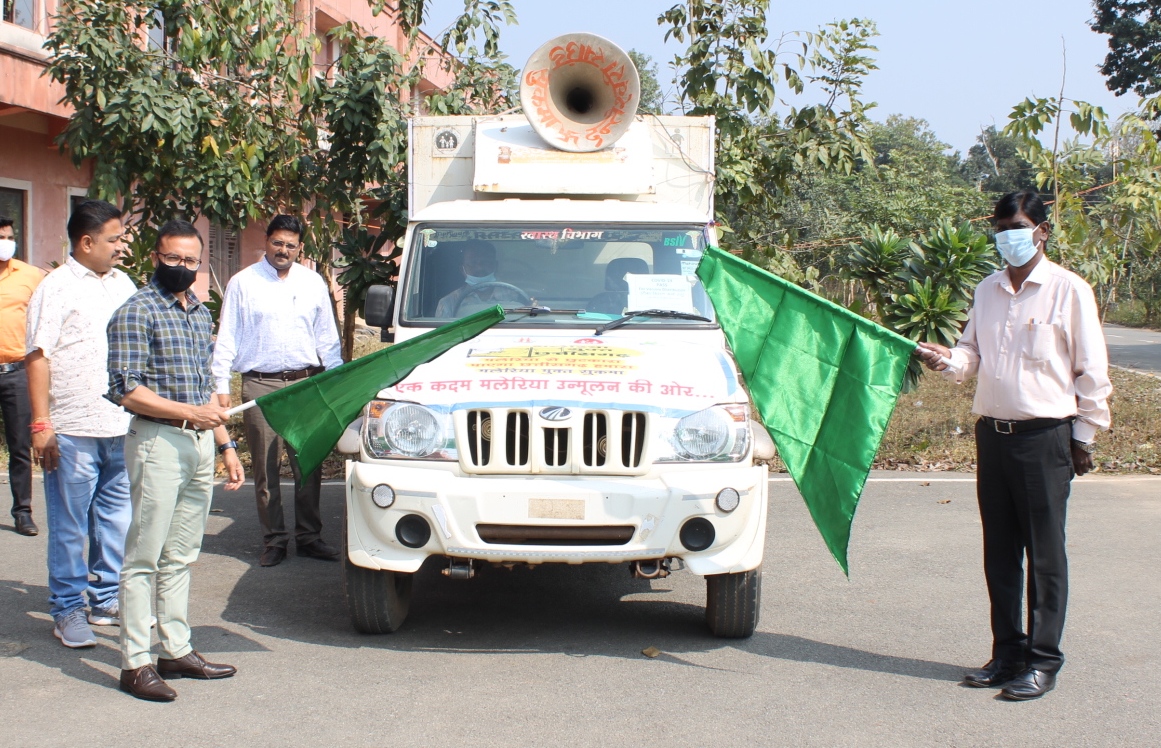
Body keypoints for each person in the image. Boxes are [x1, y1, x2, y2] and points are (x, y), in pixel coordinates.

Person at [916, 189, 1111, 701]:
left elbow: (1092, 371)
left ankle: (1043, 661)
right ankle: (1007, 653)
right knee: (1000, 553)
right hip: (994, 437)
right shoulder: (987, 290)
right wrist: (946, 360)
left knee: (1045, 555)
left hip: (1045, 437)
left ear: (1042, 231)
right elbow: (970, 355)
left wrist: (1084, 438)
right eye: (1001, 228)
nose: (1008, 237)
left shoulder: (1069, 291)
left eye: (1017, 227)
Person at [107, 219, 245, 702]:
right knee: (144, 556)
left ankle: (176, 649)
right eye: (173, 259)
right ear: (155, 257)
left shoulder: (199, 311)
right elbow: (126, 389)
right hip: (158, 442)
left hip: (199, 445)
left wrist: (226, 445)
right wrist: (192, 415)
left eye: (191, 260)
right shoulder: (136, 311)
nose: (182, 268)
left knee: (182, 555)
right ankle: (135, 662)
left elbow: (206, 388)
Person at [26, 200, 137, 648]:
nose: (121, 245)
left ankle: (105, 599)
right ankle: (68, 609)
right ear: (87, 242)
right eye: (114, 238)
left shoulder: (123, 284)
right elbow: (38, 356)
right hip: (71, 428)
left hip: (120, 425)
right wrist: (41, 423)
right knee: (71, 524)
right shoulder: (54, 287)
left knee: (115, 521)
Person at [212, 215, 342, 567]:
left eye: (290, 245)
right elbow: (227, 336)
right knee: (267, 468)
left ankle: (309, 536)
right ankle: (275, 539)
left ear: (300, 247)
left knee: (308, 463)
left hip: (307, 384)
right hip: (260, 385)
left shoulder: (313, 282)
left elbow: (327, 337)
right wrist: (220, 384)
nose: (283, 250)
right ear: (266, 242)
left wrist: (336, 380)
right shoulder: (243, 283)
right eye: (277, 242)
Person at [0, 215, 42, 537]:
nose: (7, 242)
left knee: (19, 445)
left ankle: (23, 512)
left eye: (9, 236)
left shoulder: (31, 276)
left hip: (16, 372)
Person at [435, 241, 526, 318]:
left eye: (485, 262)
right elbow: (444, 335)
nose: (479, 268)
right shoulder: (448, 302)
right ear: (462, 269)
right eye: (472, 263)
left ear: (495, 266)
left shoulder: (517, 297)